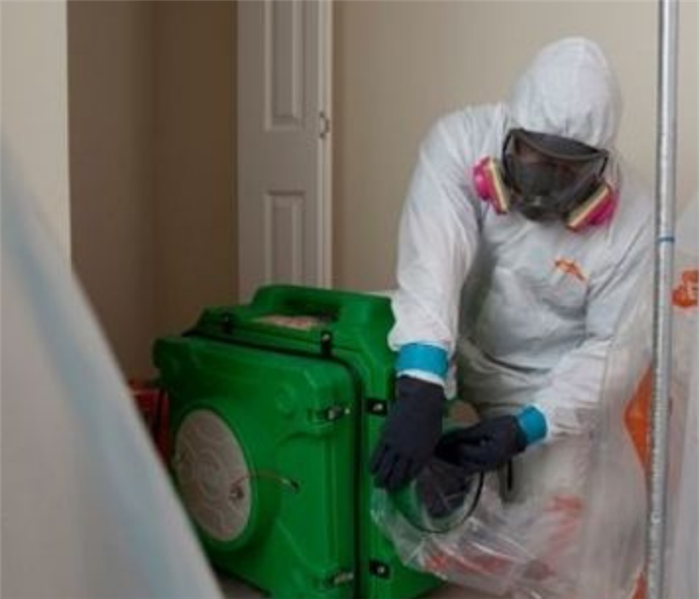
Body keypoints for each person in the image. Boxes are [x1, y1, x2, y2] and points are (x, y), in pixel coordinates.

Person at [370, 37, 653, 501]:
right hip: (449, 342)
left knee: (548, 517)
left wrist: (527, 428)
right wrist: (420, 384)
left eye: (568, 170)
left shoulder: (635, 217)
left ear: (599, 167)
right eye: (534, 158)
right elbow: (431, 265)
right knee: (379, 430)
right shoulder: (459, 142)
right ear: (509, 133)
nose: (545, 186)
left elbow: (612, 350)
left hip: (542, 379)